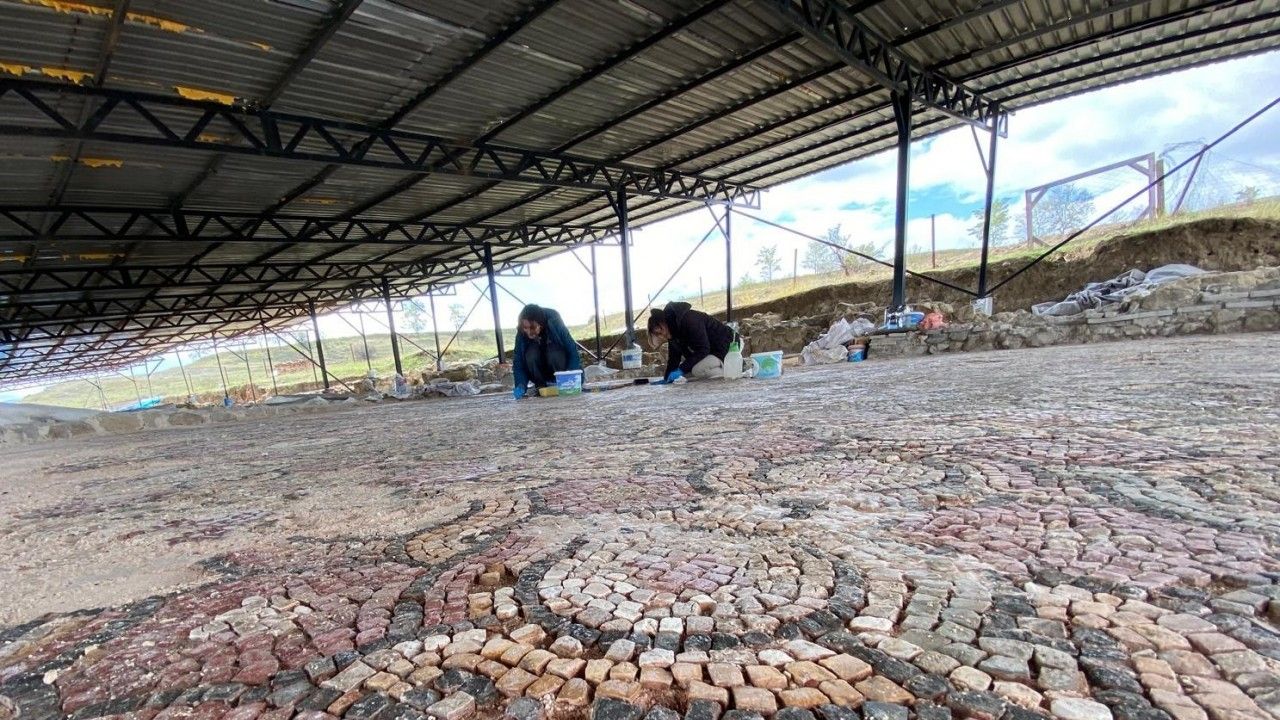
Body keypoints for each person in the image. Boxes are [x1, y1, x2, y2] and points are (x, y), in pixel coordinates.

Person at [647, 301, 735, 383]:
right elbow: (674, 359)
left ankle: (730, 372)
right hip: (712, 352)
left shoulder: (690, 320)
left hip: (728, 346)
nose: (661, 336)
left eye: (660, 332)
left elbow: (703, 349)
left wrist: (681, 369)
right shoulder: (673, 331)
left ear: (663, 323)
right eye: (658, 334)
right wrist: (667, 379)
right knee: (687, 374)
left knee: (697, 370)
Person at [513, 304, 581, 399]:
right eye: (525, 328)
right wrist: (520, 385)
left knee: (553, 353)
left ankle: (558, 383)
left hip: (561, 373)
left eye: (532, 328)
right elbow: (518, 362)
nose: (528, 332)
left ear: (540, 324)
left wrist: (570, 378)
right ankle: (540, 386)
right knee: (531, 354)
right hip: (540, 375)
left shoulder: (555, 322)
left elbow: (572, 350)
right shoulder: (521, 334)